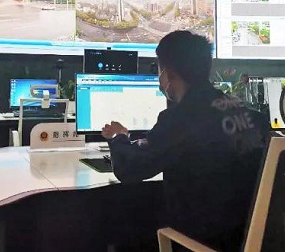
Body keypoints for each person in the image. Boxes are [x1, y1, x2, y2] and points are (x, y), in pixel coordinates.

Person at [102, 31, 270, 251]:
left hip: (197, 242)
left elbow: (129, 169)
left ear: (168, 74)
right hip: (249, 237)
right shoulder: (249, 114)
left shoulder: (181, 118)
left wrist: (118, 137)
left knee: (128, 226)